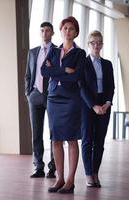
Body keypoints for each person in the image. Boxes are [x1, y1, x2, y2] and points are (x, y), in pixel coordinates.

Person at [41, 16, 86, 194]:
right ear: (60, 31)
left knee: (71, 138)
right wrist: (63, 70)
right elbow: (44, 71)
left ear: (76, 33)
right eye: (65, 28)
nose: (68, 32)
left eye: (71, 29)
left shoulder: (80, 53)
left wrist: (55, 71)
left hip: (71, 100)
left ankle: (70, 180)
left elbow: (76, 77)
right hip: (53, 98)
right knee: (55, 139)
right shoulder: (53, 51)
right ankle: (59, 178)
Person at [80, 30, 115, 188]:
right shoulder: (83, 63)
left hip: (104, 105)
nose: (96, 45)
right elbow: (81, 87)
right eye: (93, 42)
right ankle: (88, 174)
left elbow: (111, 87)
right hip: (88, 105)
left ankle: (95, 172)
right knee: (87, 140)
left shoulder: (107, 64)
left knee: (99, 142)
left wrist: (107, 103)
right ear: (88, 44)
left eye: (99, 42)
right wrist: (93, 106)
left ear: (102, 44)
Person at [25, 22, 56, 178]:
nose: (44, 33)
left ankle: (53, 168)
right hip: (35, 96)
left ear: (52, 33)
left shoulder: (58, 51)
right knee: (36, 134)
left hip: (52, 96)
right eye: (42, 30)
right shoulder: (32, 52)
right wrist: (28, 93)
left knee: (54, 133)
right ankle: (38, 167)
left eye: (47, 30)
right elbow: (28, 75)